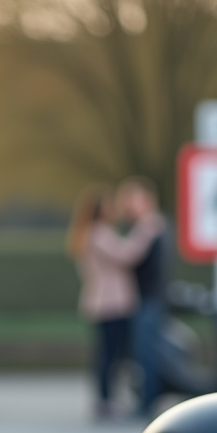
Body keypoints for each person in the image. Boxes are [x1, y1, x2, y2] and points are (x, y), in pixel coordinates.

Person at [67, 185, 154, 419]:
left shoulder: (90, 233)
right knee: (110, 354)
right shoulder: (98, 233)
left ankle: (108, 397)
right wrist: (146, 230)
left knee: (109, 353)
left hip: (104, 303)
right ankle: (105, 399)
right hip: (111, 304)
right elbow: (127, 254)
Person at [115, 176, 168, 417]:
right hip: (147, 300)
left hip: (148, 301)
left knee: (146, 355)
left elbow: (128, 256)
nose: (128, 205)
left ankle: (147, 404)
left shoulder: (149, 226)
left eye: (132, 199)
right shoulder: (151, 226)